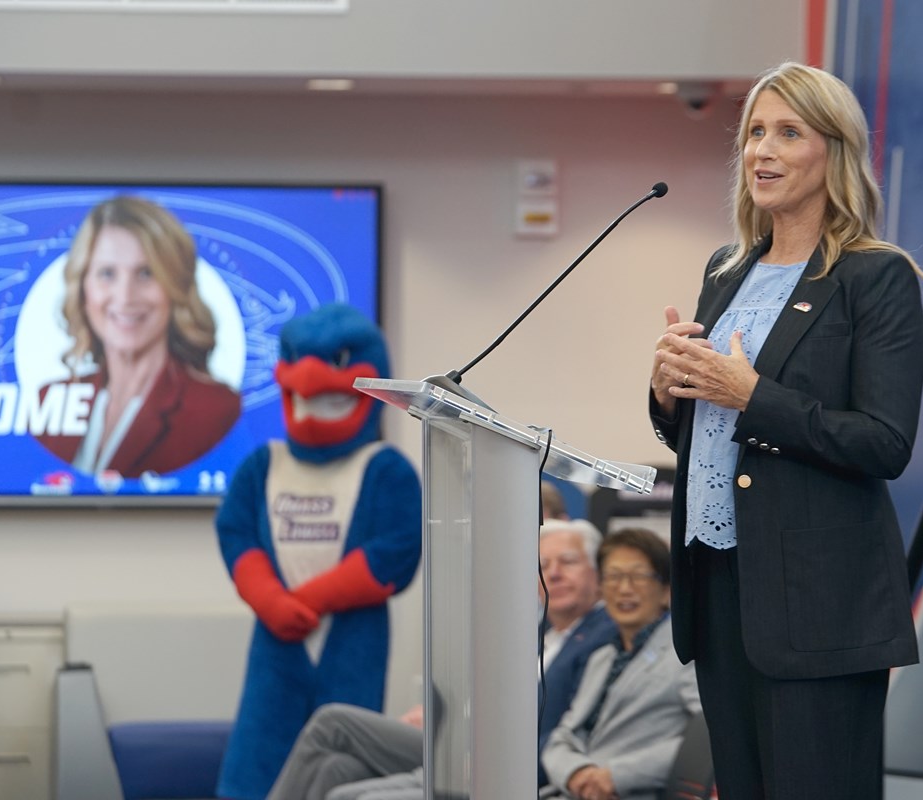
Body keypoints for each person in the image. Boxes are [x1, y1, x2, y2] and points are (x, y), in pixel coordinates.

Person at [648, 61, 923, 800]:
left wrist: (753, 397)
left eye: (787, 132)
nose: (762, 151)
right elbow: (702, 431)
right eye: (754, 134)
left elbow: (884, 443)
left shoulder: (876, 278)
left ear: (833, 151)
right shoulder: (727, 268)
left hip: (817, 604)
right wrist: (669, 392)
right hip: (719, 585)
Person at [216, 304, 422, 800]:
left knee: (342, 755)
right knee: (259, 748)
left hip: (352, 637)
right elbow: (236, 533)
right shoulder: (264, 463)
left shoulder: (386, 468)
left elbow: (396, 551)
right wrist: (270, 599)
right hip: (276, 636)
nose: (310, 380)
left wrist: (311, 598)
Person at [264, 518, 617, 800]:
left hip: (497, 764)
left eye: (568, 563)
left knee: (332, 721)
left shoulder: (602, 636)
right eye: (543, 565)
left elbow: (559, 728)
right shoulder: (535, 632)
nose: (553, 573)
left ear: (597, 574)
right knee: (337, 770)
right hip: (458, 740)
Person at [36, 195, 242, 478]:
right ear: (83, 289)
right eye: (107, 273)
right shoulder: (49, 401)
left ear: (174, 286)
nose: (125, 297)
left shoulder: (215, 410)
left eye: (146, 273)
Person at [541, 528, 700, 800]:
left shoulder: (685, 655)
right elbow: (561, 738)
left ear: (665, 591)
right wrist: (578, 774)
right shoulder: (601, 658)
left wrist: (616, 776)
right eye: (614, 577)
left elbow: (705, 739)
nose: (624, 589)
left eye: (638, 576)